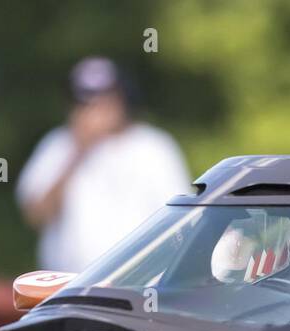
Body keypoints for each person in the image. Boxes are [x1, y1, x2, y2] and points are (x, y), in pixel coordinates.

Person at [16, 57, 190, 272]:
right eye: (85, 101)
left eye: (104, 100)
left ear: (123, 100)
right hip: (68, 282)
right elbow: (36, 214)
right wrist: (78, 152)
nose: (95, 110)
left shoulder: (153, 146)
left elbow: (178, 218)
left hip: (139, 280)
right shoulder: (58, 145)